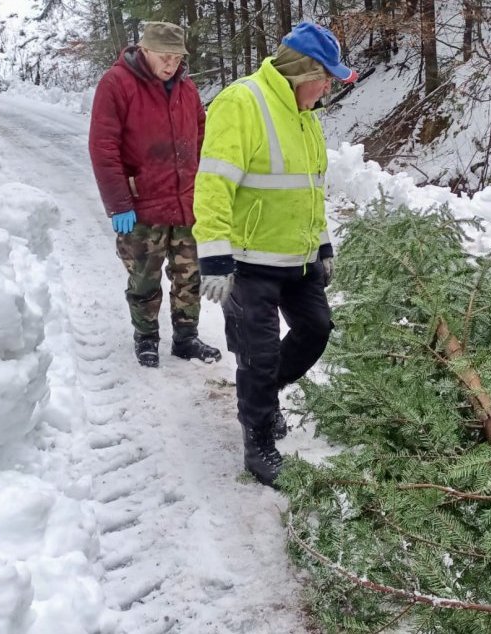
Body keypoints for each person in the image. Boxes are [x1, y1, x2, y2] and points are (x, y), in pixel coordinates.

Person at [192, 22, 357, 487]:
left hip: (298, 259)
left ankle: (264, 395)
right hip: (249, 261)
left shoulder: (307, 116)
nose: (328, 88)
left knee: (316, 328)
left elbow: (308, 192)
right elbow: (213, 185)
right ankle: (258, 437)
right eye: (326, 78)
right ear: (303, 72)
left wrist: (322, 244)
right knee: (258, 356)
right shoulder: (242, 103)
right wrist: (216, 257)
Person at [89, 21, 221, 368]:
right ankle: (146, 337)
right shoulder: (116, 84)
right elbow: (103, 148)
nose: (171, 65)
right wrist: (118, 203)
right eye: (164, 57)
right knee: (144, 276)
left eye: (177, 58)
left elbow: (202, 138)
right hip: (141, 205)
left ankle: (186, 338)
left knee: (189, 274)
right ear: (144, 49)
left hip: (185, 202)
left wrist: (203, 188)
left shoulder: (186, 89)